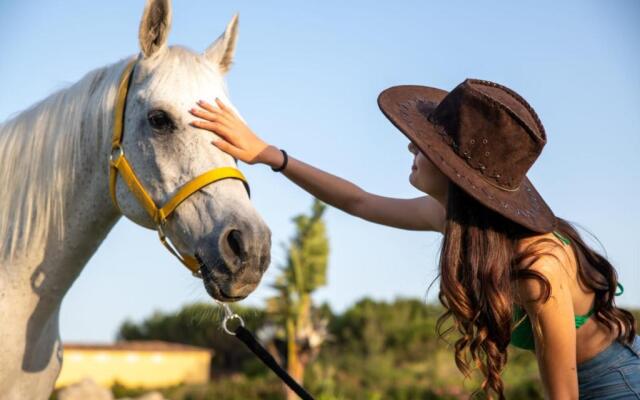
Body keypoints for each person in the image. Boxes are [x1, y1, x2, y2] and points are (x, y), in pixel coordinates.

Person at [188, 78, 639, 399]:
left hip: (615, 383)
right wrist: (269, 154)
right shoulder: (459, 221)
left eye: (425, 145)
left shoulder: (537, 268)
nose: (410, 148)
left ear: (456, 173)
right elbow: (359, 202)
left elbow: (562, 395)